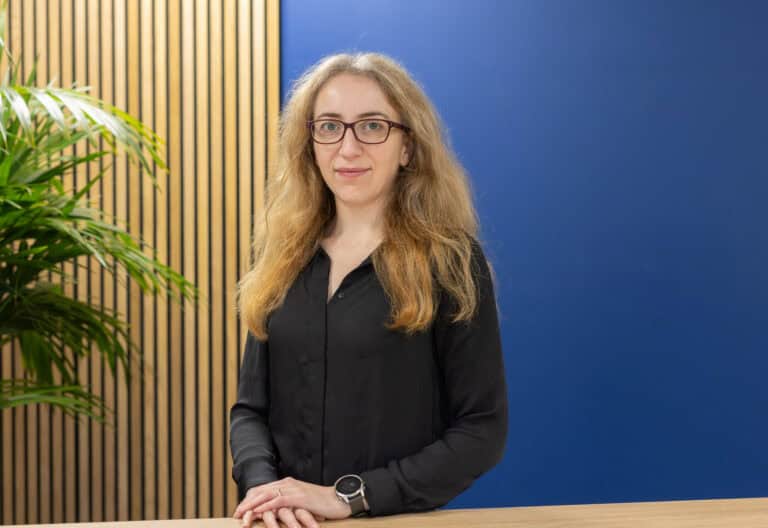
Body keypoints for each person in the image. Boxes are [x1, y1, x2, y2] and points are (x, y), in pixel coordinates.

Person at [230, 52, 508, 528]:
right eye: (330, 126)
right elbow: (250, 411)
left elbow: (482, 430)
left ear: (407, 147)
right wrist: (264, 489)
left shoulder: (452, 262)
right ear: (310, 143)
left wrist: (348, 498)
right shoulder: (280, 258)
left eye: (373, 126)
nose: (348, 148)